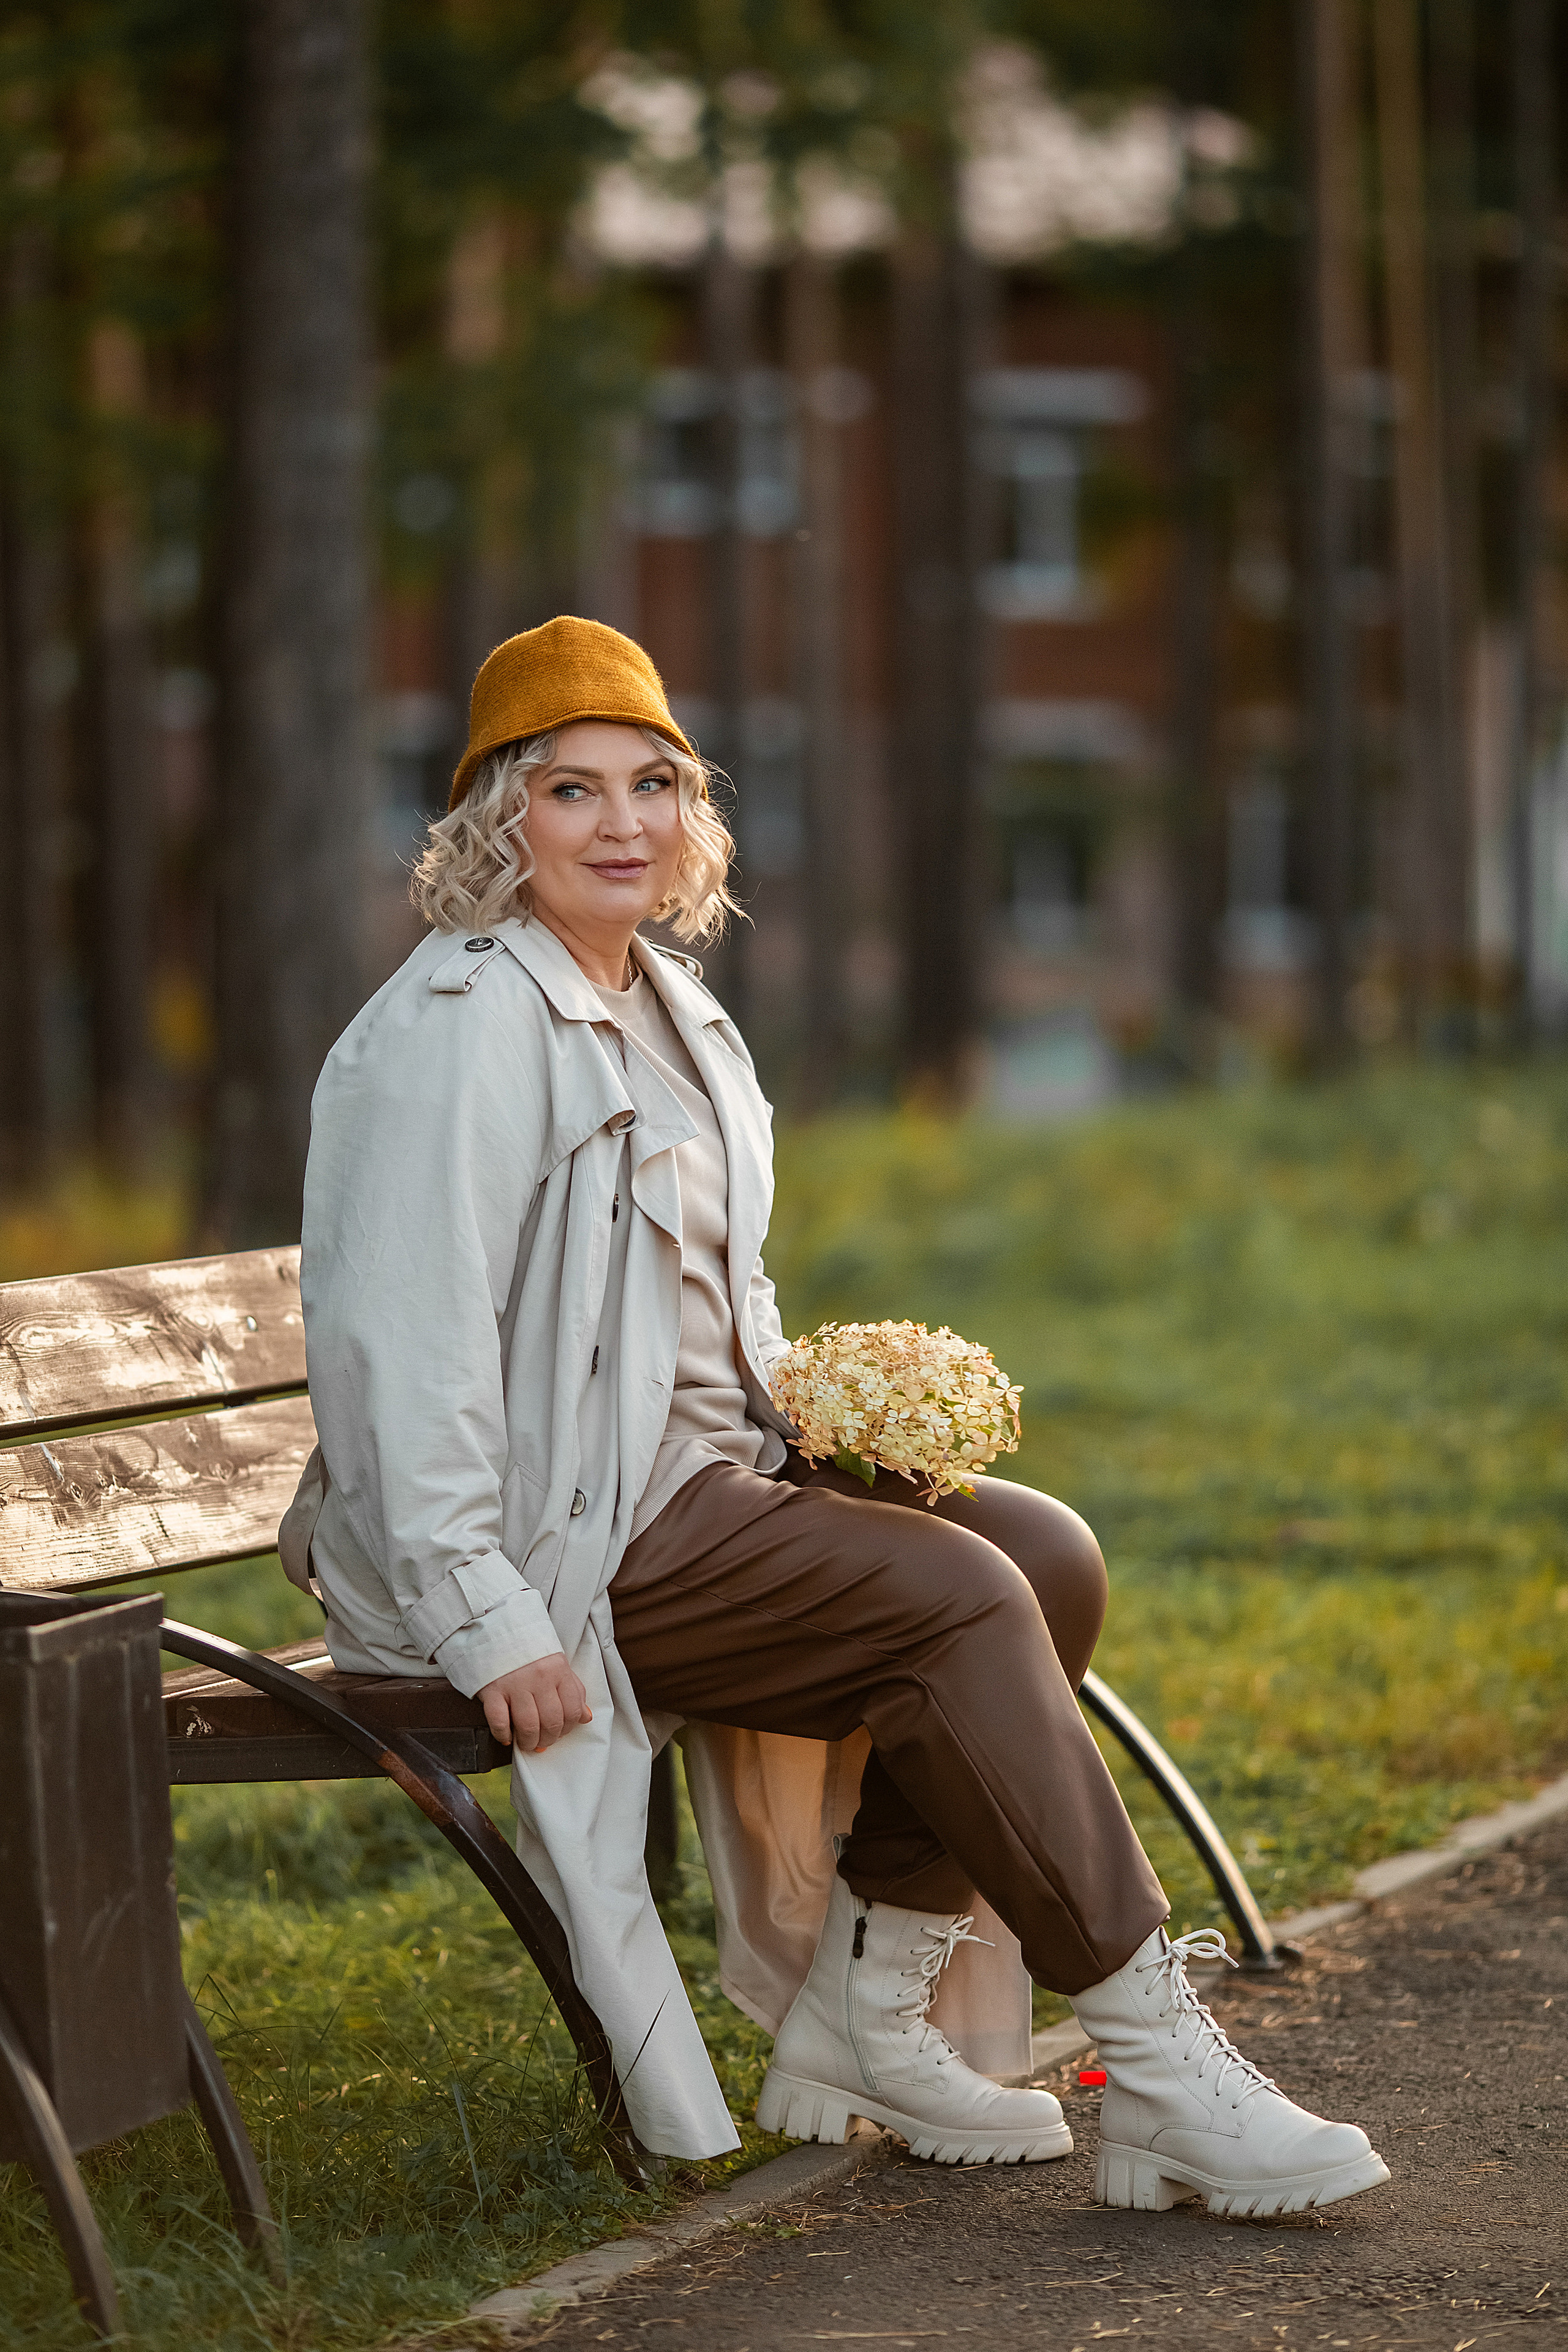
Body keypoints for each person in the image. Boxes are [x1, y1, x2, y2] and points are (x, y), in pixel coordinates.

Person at [284, 616, 1389, 2218]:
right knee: (953, 1598)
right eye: (573, 790)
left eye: (654, 784)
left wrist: (823, 1412)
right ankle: (1157, 2067)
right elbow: (402, 1345)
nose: (624, 825)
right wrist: (483, 1612)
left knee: (1041, 1552)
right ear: (495, 822)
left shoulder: (670, 1006)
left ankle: (860, 2020)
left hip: (695, 1485)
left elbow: (701, 1299)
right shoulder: (454, 1030)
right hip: (548, 1543)